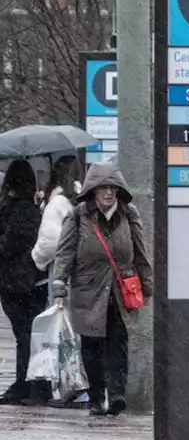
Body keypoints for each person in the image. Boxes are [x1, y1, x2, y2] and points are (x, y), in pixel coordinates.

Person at [51, 160, 152, 417]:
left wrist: (147, 283)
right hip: (88, 290)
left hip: (120, 291)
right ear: (92, 191)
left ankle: (117, 395)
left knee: (119, 343)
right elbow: (64, 253)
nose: (108, 193)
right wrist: (59, 285)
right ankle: (97, 397)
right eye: (103, 187)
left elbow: (140, 251)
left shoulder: (129, 214)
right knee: (92, 346)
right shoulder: (78, 215)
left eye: (113, 188)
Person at [33, 155, 85, 408]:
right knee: (77, 330)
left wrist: (37, 259)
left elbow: (48, 243)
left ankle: (67, 386)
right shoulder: (80, 199)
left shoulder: (56, 204)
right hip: (83, 274)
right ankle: (82, 385)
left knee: (61, 331)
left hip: (61, 273)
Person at [0, 160, 51, 405]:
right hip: (30, 282)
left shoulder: (18, 210)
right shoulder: (32, 209)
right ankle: (35, 383)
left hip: (17, 284)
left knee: (24, 335)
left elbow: (9, 246)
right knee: (30, 334)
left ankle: (26, 384)